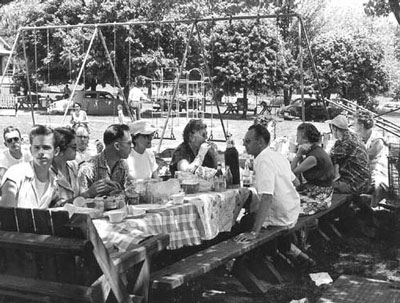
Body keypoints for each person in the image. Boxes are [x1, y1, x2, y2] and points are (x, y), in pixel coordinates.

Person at [236, 123, 300, 242]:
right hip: (292, 212)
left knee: (244, 222)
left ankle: (257, 257)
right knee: (251, 213)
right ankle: (289, 251)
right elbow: (296, 182)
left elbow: (267, 198)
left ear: (260, 142)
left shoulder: (263, 161)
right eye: (244, 140)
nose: (244, 144)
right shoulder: (277, 155)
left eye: (248, 141)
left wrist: (254, 232)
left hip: (280, 217)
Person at [1, 125, 59, 208]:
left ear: (56, 151)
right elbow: (5, 214)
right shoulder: (15, 174)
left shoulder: (53, 180)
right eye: (37, 148)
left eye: (46, 148)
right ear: (30, 150)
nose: (41, 152)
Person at [78, 124, 131, 198]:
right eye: (129, 143)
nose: (131, 147)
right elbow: (78, 202)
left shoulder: (123, 165)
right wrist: (89, 193)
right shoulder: (88, 168)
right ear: (117, 146)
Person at [291, 122, 335, 210]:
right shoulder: (316, 149)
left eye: (298, 137)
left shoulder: (313, 157)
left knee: (289, 204)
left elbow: (291, 173)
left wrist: (298, 155)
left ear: (305, 140)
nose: (296, 140)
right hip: (319, 188)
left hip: (320, 192)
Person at [329, 115, 370, 195]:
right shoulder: (354, 136)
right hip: (364, 180)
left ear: (334, 128)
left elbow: (326, 161)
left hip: (355, 183)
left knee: (322, 187)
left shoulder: (345, 143)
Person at [353, 111, 388, 205]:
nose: (353, 125)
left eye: (354, 123)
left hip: (377, 174)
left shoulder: (378, 140)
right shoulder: (361, 137)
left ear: (361, 125)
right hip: (366, 173)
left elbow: (364, 159)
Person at [51, 127, 80, 206]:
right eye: (73, 147)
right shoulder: (48, 174)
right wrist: (87, 194)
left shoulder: (73, 166)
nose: (77, 149)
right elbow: (57, 206)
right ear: (60, 150)